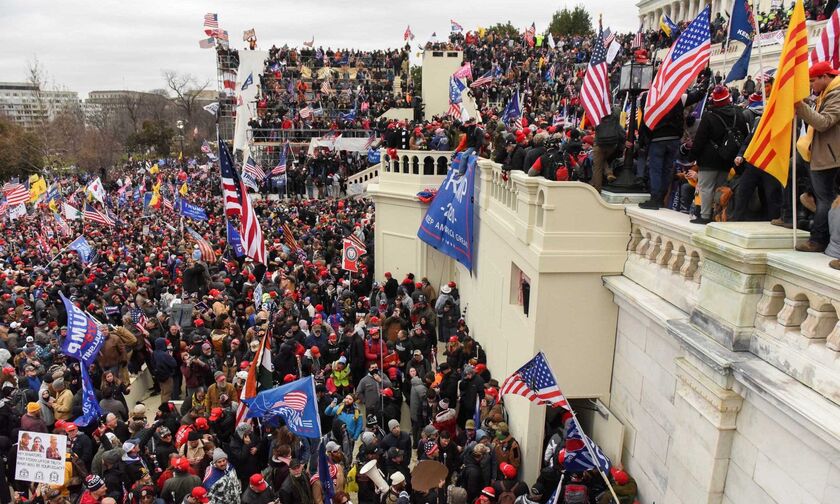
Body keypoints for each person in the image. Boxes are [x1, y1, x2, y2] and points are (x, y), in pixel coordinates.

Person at [794, 61, 840, 253]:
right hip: (824, 155)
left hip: (830, 157)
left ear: (825, 77)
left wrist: (800, 106)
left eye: (813, 81)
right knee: (824, 198)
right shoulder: (828, 93)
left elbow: (824, 122)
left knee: (824, 199)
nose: (812, 85)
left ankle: (818, 240)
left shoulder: (837, 94)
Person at [688, 85, 748, 224]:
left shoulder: (709, 116)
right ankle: (718, 214)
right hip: (728, 158)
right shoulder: (738, 113)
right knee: (720, 187)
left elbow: (700, 139)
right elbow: (744, 134)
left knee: (706, 187)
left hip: (708, 159)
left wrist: (692, 156)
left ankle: (705, 216)